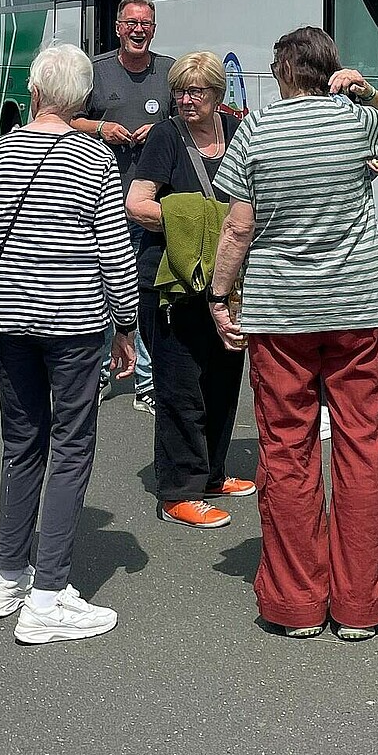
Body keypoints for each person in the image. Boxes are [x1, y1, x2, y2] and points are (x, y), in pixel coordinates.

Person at [209, 27, 378, 642]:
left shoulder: (256, 130)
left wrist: (219, 295)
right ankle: (360, 605)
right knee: (361, 449)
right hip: (357, 309)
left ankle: (296, 604)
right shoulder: (357, 122)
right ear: (329, 69)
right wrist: (365, 90)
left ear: (284, 71)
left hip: (280, 315)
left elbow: (238, 227)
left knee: (287, 451)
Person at [0, 43, 138, 644]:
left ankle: (7, 576)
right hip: (75, 324)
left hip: (9, 322)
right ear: (82, 100)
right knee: (72, 447)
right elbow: (114, 249)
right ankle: (49, 595)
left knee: (21, 444)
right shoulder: (96, 157)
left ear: (33, 92)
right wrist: (127, 325)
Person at [126, 52, 253, 529]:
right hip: (172, 282)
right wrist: (201, 222)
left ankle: (212, 474)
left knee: (223, 377)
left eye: (195, 91)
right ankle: (179, 491)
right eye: (179, 91)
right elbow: (137, 204)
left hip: (227, 277)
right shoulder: (166, 136)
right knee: (180, 388)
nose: (185, 99)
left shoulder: (237, 132)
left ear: (218, 95)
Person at [72, 0, 175, 415]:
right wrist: (102, 128)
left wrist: (162, 130)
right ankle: (99, 374)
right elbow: (68, 119)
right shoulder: (95, 71)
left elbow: (187, 118)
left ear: (154, 29)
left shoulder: (168, 71)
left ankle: (146, 384)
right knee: (101, 292)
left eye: (145, 24)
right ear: (117, 28)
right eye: (131, 23)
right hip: (103, 199)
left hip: (151, 202)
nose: (138, 30)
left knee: (145, 294)